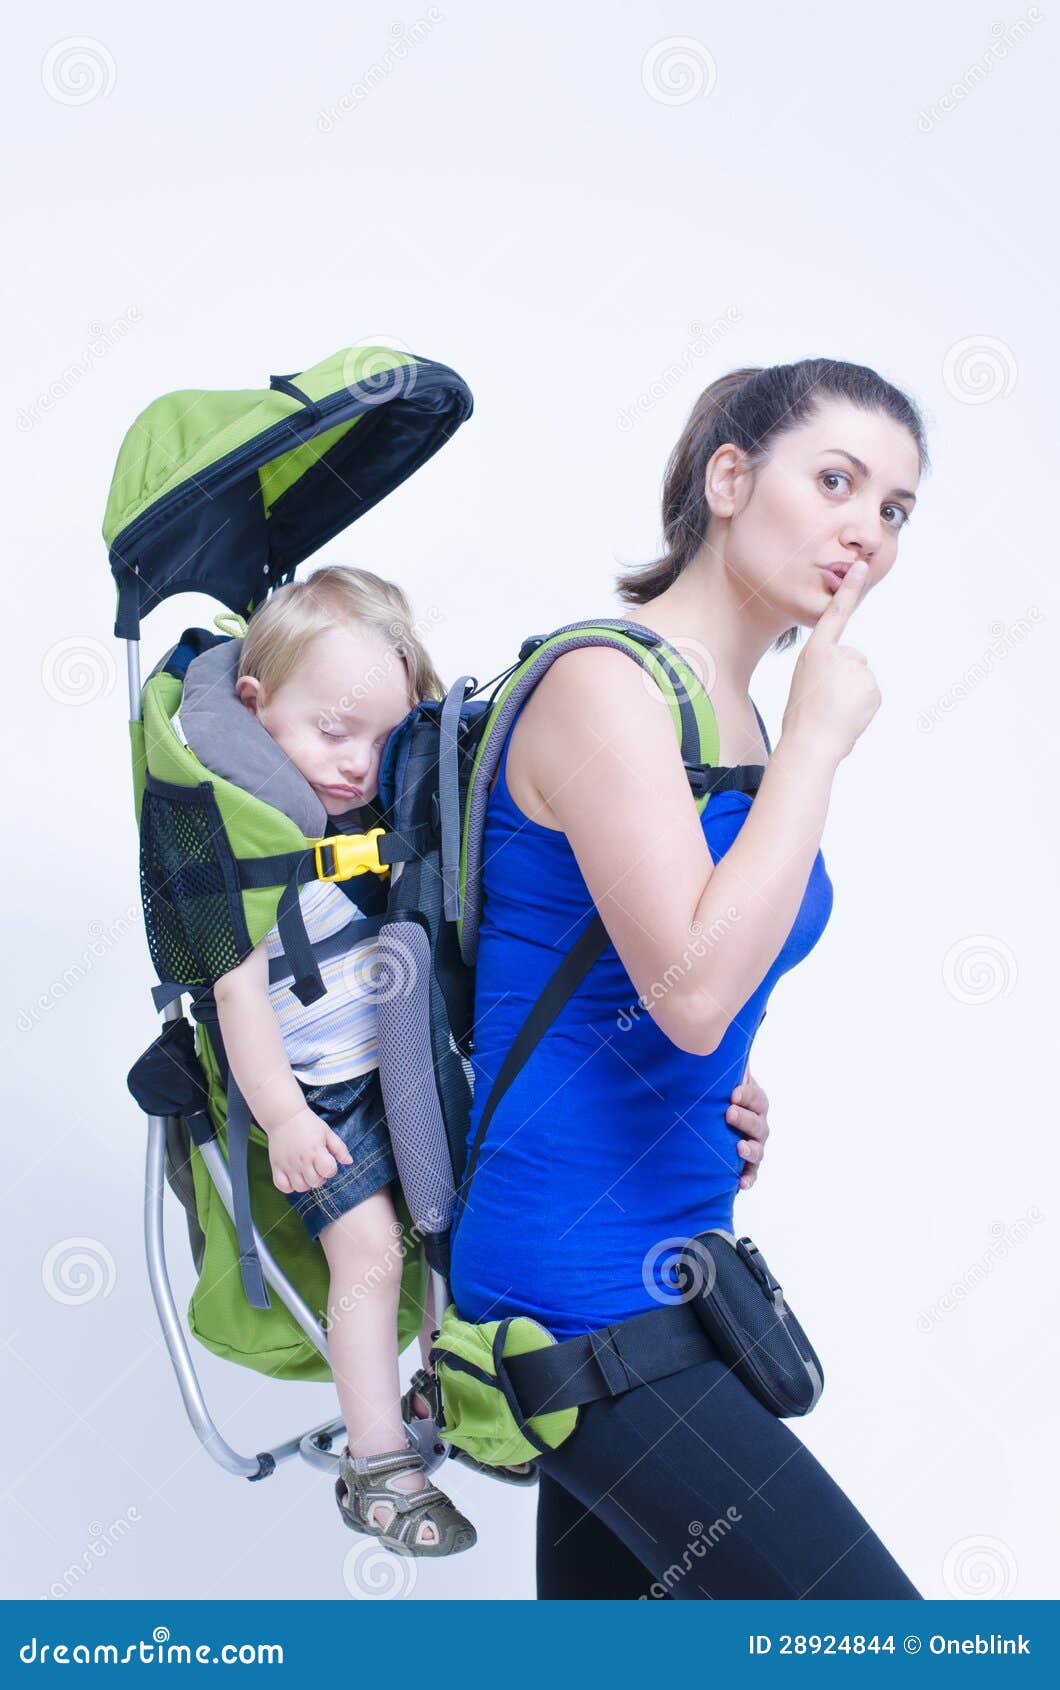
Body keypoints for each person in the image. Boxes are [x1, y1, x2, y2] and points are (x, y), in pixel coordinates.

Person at [449, 359, 928, 1598]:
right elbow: (694, 986)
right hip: (574, 1272)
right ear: (728, 477)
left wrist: (716, 1076)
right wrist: (820, 741)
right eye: (835, 480)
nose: (864, 531)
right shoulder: (606, 683)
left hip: (675, 1242)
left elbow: (668, 976)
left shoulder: (744, 716)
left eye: (893, 508)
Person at [212, 566, 476, 1558]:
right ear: (255, 706)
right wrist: (282, 1115)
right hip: (321, 1090)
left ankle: (448, 1384)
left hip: (419, 1062)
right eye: (332, 732)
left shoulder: (391, 808)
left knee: (456, 1222)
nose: (356, 764)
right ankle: (377, 1459)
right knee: (368, 1253)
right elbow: (235, 991)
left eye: (381, 738)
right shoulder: (240, 835)